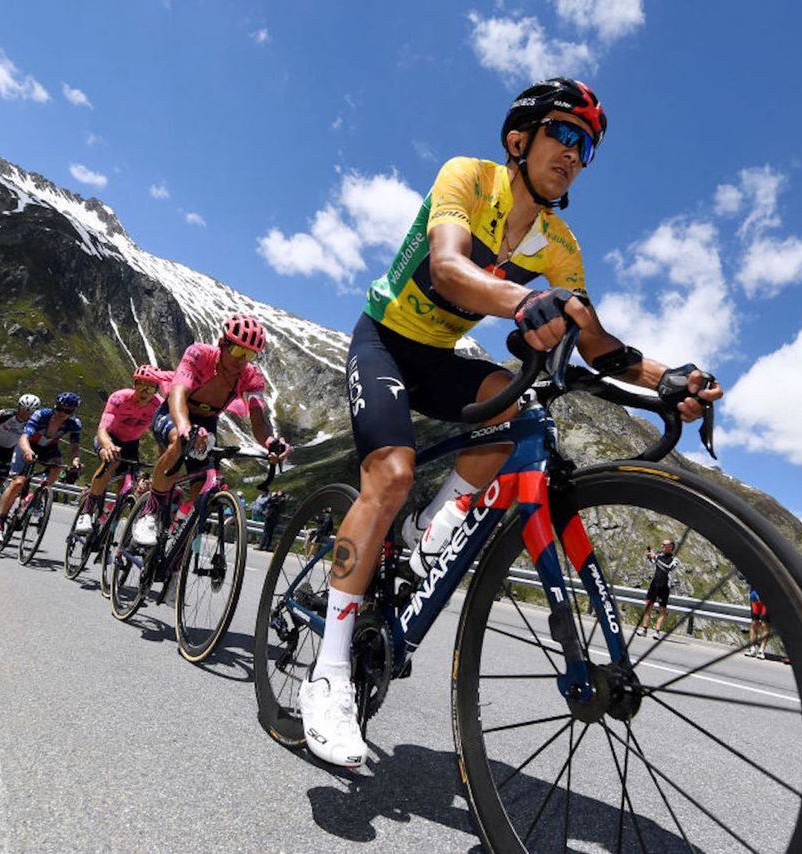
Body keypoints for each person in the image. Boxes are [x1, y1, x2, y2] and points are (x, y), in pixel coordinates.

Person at [300, 78, 721, 769]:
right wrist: (526, 299)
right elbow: (450, 269)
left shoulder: (559, 243)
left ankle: (429, 526)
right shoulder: (470, 178)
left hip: (438, 357)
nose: (577, 154)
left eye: (588, 147)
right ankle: (328, 675)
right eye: (566, 134)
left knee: (511, 399)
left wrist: (669, 381)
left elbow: (596, 344)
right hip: (384, 339)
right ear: (520, 138)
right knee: (392, 472)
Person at [131, 315, 290, 548]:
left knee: (203, 493)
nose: (242, 360)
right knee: (179, 441)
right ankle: (151, 512)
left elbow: (258, 418)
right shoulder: (199, 355)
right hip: (175, 413)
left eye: (251, 354)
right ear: (222, 343)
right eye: (237, 350)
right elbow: (178, 393)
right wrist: (184, 426)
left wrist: (270, 442)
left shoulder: (251, 377)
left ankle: (177, 553)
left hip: (207, 423)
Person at [75, 367, 164, 534]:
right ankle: (87, 511)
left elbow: (160, 437)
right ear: (134, 384)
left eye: (150, 387)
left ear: (156, 389)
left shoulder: (158, 405)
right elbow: (102, 429)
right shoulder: (119, 398)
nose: (144, 391)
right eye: (141, 385)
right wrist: (108, 445)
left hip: (131, 443)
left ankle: (109, 531)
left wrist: (163, 461)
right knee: (112, 461)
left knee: (126, 487)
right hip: (109, 438)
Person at [0, 393, 83, 543]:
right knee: (18, 483)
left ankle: (39, 495)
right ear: (54, 406)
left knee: (57, 466)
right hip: (28, 445)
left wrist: (76, 460)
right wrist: (27, 451)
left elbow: (75, 446)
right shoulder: (41, 414)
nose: (62, 413)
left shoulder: (74, 423)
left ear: (73, 412)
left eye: (67, 411)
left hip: (48, 448)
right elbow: (25, 436)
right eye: (59, 409)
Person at [637, 539, 680, 639]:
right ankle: (644, 629)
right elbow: (650, 565)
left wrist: (655, 558)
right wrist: (648, 558)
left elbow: (668, 567)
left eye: (665, 545)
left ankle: (657, 631)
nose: (662, 546)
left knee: (662, 610)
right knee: (648, 607)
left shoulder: (675, 560)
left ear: (671, 547)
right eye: (662, 544)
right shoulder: (659, 556)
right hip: (654, 584)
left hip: (665, 586)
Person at [745, 584, 770, 659]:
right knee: (754, 624)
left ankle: (761, 650)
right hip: (754, 601)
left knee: (764, 625)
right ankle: (752, 648)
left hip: (766, 602)